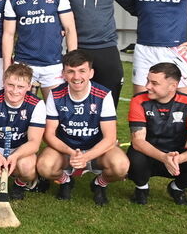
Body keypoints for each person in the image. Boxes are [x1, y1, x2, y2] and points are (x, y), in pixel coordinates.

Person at [35, 50, 129, 205]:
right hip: (66, 150)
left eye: (82, 71)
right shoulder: (55, 94)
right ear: (63, 74)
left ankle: (99, 183)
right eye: (70, 72)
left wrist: (86, 157)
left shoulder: (103, 95)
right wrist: (72, 153)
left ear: (91, 73)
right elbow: (49, 135)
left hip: (97, 151)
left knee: (121, 166)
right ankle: (65, 181)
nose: (76, 77)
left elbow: (110, 138)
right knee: (44, 166)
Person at [126, 62, 187, 205]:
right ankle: (141, 188)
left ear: (172, 86)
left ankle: (176, 188)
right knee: (133, 160)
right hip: (148, 154)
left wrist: (178, 159)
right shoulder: (138, 101)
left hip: (176, 157)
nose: (147, 86)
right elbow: (138, 141)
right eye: (147, 81)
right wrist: (164, 157)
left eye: (154, 83)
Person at [57, 0, 127, 104]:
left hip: (106, 47)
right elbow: (52, 10)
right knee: (76, 94)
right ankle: (78, 128)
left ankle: (106, 129)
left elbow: (136, 7)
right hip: (78, 47)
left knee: (111, 92)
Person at [2, 0, 76, 95]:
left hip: (53, 64)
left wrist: (71, 64)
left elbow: (69, 29)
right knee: (24, 113)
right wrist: (6, 68)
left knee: (55, 112)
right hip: (24, 63)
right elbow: (8, 35)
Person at [0, 62, 46, 200]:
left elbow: (34, 143)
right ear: (3, 83)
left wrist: (15, 156)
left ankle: (19, 184)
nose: (15, 91)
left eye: (21, 87)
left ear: (29, 87)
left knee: (28, 167)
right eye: (10, 85)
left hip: (19, 148)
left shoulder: (37, 105)